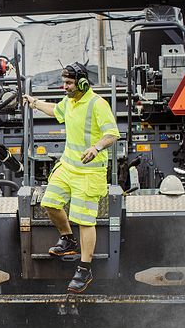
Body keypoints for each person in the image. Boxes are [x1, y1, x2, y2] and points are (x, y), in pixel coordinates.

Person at [22, 62, 120, 293]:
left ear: (82, 83)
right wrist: (34, 102)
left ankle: (84, 269)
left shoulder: (98, 104)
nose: (63, 86)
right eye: (63, 82)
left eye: (68, 83)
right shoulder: (69, 102)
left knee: (85, 221)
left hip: (90, 172)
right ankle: (67, 239)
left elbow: (113, 133)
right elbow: (55, 109)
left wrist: (96, 147)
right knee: (49, 202)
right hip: (67, 167)